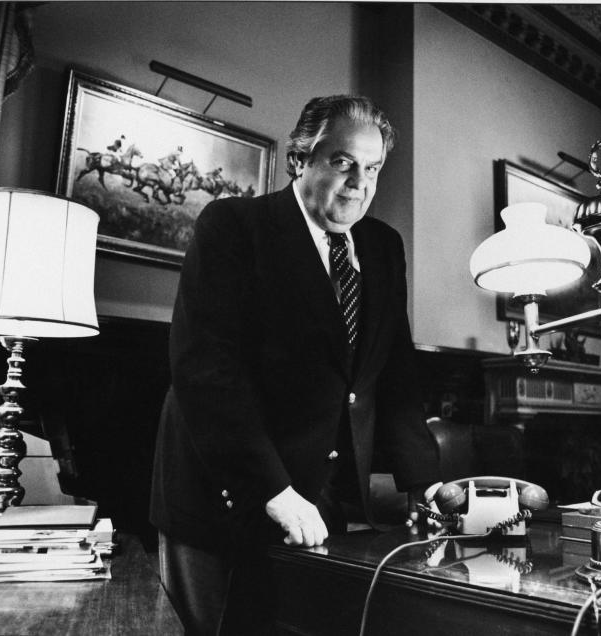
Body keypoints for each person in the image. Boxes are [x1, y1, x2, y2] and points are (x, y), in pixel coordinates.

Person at [149, 95, 441, 635]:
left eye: (372, 168)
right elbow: (206, 373)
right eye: (342, 162)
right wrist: (273, 492)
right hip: (223, 494)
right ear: (298, 160)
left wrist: (427, 485)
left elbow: (394, 369)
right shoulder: (234, 225)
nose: (359, 183)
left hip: (322, 496)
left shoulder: (382, 246)